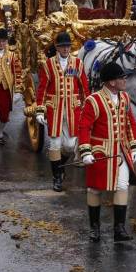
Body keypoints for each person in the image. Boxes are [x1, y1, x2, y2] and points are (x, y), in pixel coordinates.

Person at [77, 61, 136, 243]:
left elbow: (130, 123)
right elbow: (84, 128)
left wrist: (135, 145)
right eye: (122, 77)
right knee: (95, 189)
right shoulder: (93, 100)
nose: (125, 80)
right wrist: (85, 151)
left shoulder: (125, 98)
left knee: (122, 186)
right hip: (100, 152)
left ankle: (119, 228)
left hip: (120, 152)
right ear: (112, 82)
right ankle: (94, 228)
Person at [37, 32, 90, 191]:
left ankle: (60, 166)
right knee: (55, 143)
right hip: (55, 109)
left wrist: (88, 106)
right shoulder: (48, 64)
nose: (66, 49)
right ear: (57, 48)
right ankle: (57, 176)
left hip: (73, 109)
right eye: (62, 46)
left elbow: (84, 87)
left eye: (67, 46)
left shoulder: (77, 64)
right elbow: (42, 88)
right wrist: (40, 109)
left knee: (70, 145)